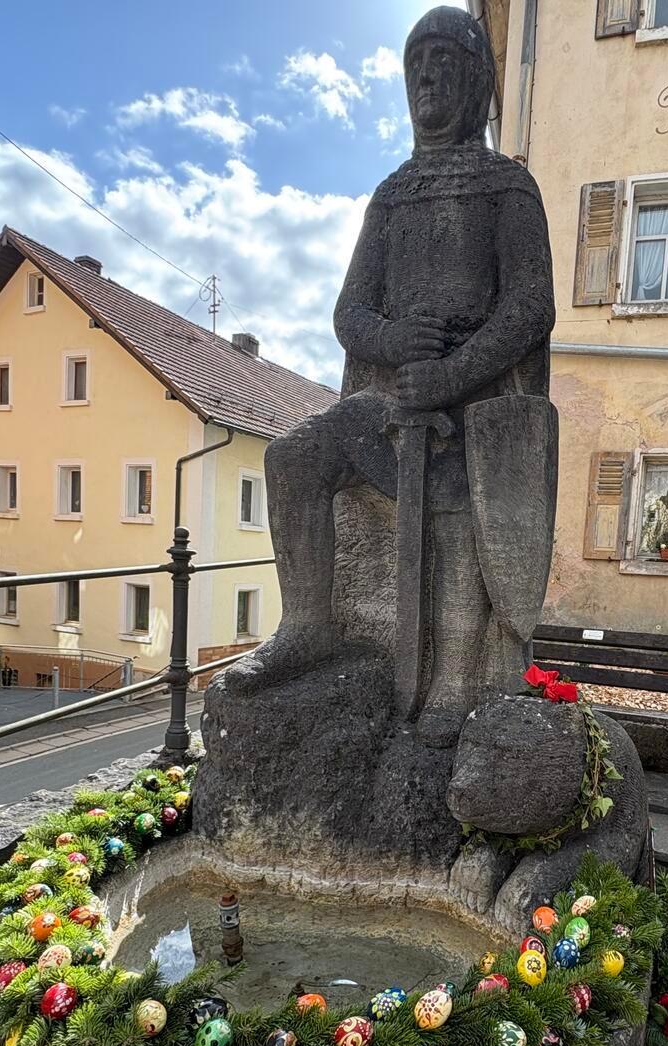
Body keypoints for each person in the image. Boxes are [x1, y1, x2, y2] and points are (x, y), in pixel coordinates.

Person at [223, 6, 557, 744]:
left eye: (443, 61)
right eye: (415, 65)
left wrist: (452, 374)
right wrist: (395, 339)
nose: (427, 78)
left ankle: (454, 682)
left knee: (461, 512)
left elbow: (530, 308)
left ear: (476, 80)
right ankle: (309, 625)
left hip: (479, 406)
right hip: (390, 402)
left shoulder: (508, 188)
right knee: (293, 456)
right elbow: (349, 313)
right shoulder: (393, 194)